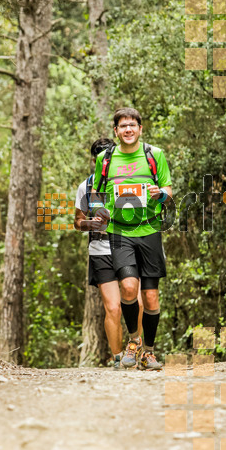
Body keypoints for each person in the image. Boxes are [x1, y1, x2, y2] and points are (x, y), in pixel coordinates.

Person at [92, 107, 172, 370]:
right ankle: (134, 341)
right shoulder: (105, 158)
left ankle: (149, 352)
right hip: (120, 232)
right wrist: (99, 211)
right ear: (116, 131)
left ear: (140, 128)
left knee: (150, 298)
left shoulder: (154, 155)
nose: (128, 129)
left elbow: (168, 190)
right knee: (127, 287)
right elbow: (96, 193)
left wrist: (159, 193)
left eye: (132, 125)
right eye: (123, 126)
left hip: (150, 230)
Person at [74, 138, 142, 368]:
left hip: (127, 246)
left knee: (137, 302)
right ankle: (117, 358)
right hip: (100, 251)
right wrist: (91, 224)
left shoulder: (129, 182)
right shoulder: (85, 187)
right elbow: (77, 222)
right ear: (94, 161)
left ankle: (137, 350)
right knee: (113, 307)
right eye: (100, 159)